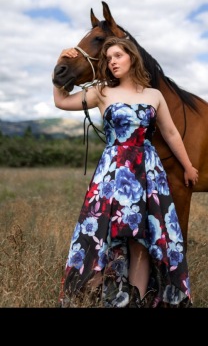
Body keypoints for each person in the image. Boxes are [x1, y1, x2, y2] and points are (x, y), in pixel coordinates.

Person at [53, 37, 199, 308]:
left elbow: (169, 132)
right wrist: (59, 64)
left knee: (142, 237)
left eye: (117, 55)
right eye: (109, 59)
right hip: (112, 172)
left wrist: (188, 166)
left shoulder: (154, 95)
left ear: (132, 57)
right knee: (100, 233)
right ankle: (96, 291)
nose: (112, 62)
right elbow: (61, 101)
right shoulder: (101, 92)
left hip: (147, 172)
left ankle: (136, 299)